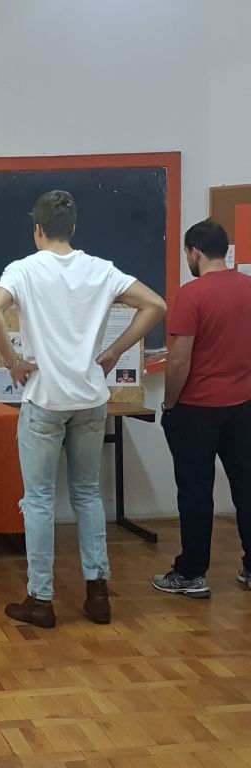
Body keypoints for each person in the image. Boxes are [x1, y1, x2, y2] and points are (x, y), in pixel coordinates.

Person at [0, 190, 166, 628]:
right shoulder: (101, 269)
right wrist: (114, 351)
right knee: (87, 494)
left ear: (38, 230)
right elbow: (156, 305)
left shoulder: (23, 269)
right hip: (90, 399)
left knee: (39, 499)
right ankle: (98, 594)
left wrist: (13, 361)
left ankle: (41, 599)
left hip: (45, 399)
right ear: (74, 229)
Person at [153, 219, 251, 598]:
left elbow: (179, 360)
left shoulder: (191, 295)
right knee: (246, 485)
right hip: (243, 407)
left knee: (195, 491)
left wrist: (169, 403)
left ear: (194, 252)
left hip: (196, 409)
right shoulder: (248, 288)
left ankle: (192, 573)